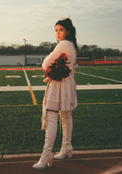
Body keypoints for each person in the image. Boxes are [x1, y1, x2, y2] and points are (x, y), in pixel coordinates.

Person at [33, 17, 78, 170]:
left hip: (59, 84)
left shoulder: (64, 44)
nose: (58, 33)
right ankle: (66, 147)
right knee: (66, 116)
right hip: (67, 83)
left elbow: (45, 63)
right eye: (56, 30)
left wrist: (49, 62)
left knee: (51, 117)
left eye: (61, 30)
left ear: (68, 31)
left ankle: (46, 155)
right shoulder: (71, 44)